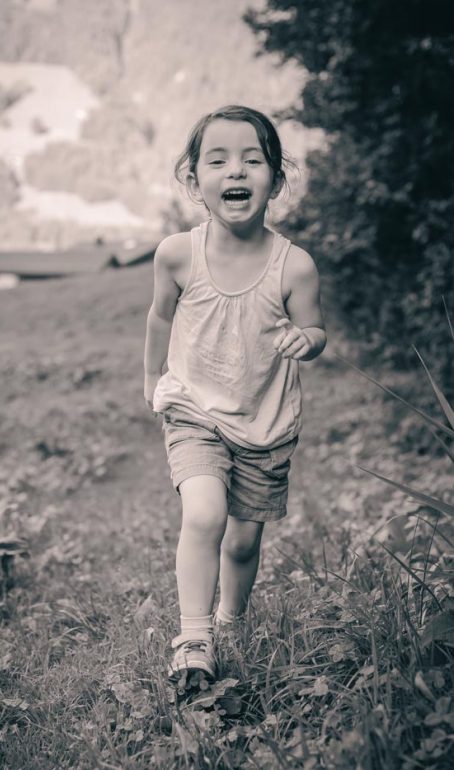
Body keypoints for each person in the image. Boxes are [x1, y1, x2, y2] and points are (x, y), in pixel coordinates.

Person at [143, 105, 326, 683]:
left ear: (275, 177)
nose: (236, 171)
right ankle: (194, 640)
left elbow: (316, 330)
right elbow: (158, 318)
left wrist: (309, 340)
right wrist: (153, 381)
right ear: (195, 182)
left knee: (243, 544)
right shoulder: (177, 253)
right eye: (217, 160)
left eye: (252, 159)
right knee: (204, 513)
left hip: (264, 426)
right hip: (194, 411)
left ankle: (231, 617)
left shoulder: (294, 266)